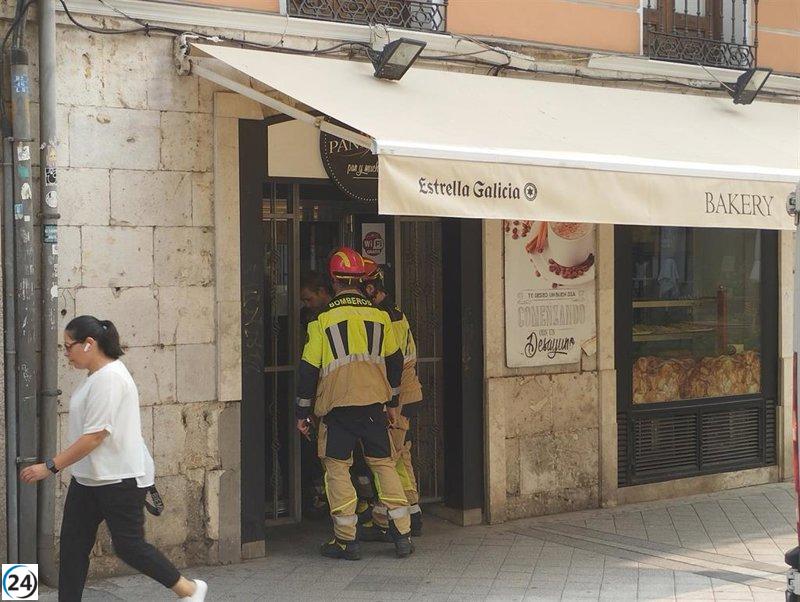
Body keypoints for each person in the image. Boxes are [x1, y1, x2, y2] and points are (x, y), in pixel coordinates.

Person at [20, 316, 207, 602]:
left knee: (129, 546)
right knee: (72, 548)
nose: (66, 353)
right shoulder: (96, 377)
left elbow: (95, 436)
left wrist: (50, 466)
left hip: (119, 479)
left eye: (68, 346)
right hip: (89, 478)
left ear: (89, 344)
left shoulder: (110, 379)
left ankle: (189, 590)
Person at [295, 247, 413, 560]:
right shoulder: (380, 316)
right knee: (384, 465)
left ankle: (347, 540)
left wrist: (302, 413)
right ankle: (402, 533)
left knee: (336, 469)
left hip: (337, 409)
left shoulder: (322, 321)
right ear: (361, 279)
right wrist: (393, 401)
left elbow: (308, 370)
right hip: (374, 406)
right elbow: (395, 361)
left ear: (333, 281)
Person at [358, 258, 425, 540]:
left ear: (371, 288)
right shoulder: (393, 312)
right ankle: (413, 511)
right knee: (400, 455)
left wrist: (391, 402)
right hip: (407, 393)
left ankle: (386, 519)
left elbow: (394, 364)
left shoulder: (387, 317)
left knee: (387, 458)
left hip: (398, 394)